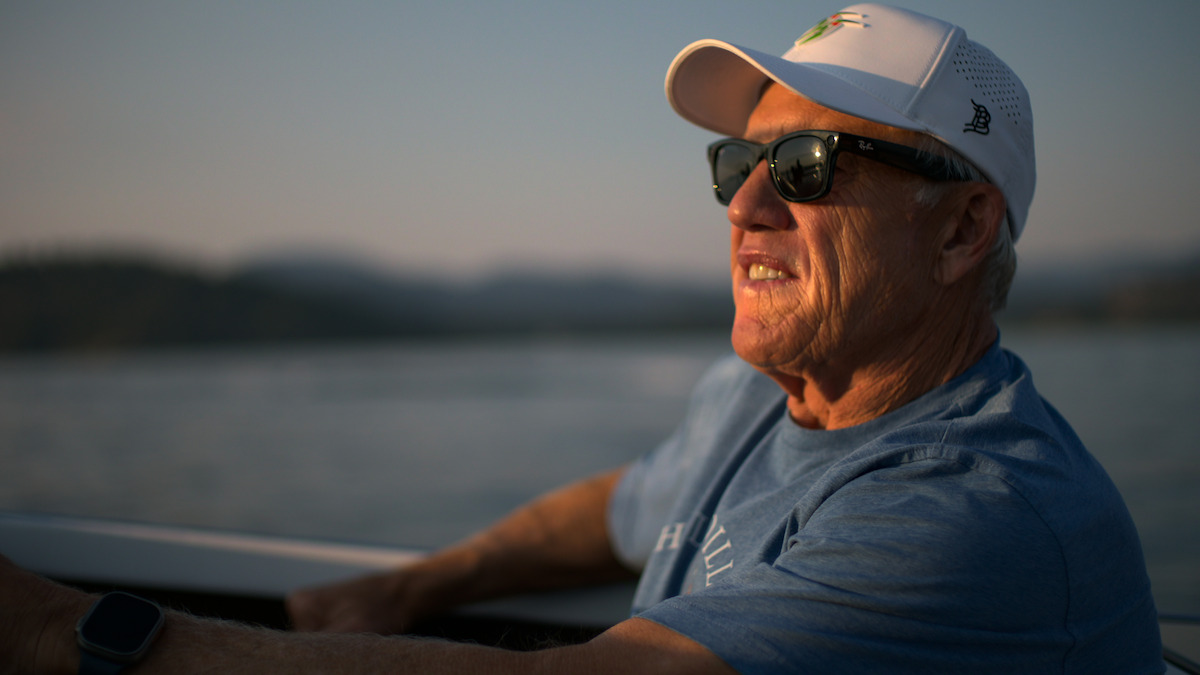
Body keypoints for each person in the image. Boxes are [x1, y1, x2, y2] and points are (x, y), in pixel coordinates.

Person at [1, 4, 1165, 673]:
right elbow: (624, 510)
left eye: (808, 166)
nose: (747, 206)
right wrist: (415, 585)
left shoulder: (978, 517)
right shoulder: (764, 394)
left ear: (962, 230)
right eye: (738, 163)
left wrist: (65, 634)